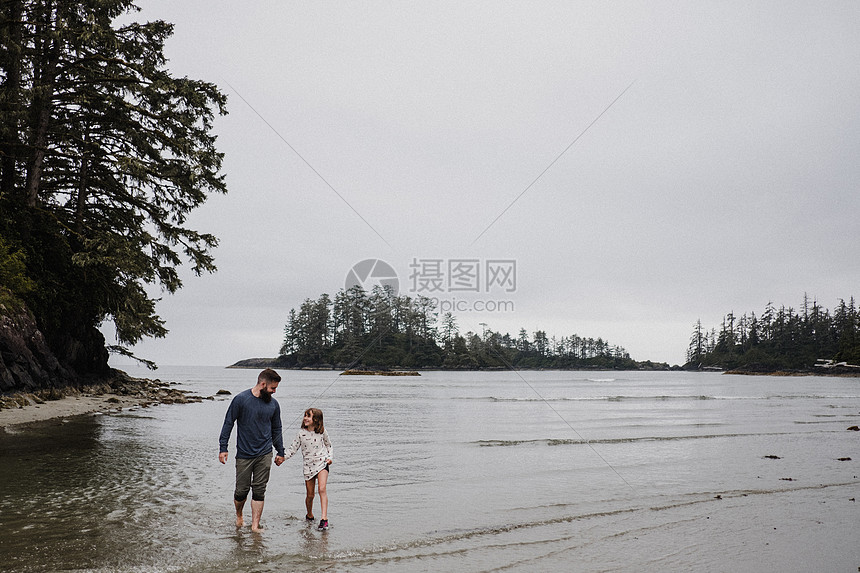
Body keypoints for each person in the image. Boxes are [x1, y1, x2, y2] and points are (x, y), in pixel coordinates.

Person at [218, 368, 286, 532]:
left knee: (259, 490)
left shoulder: (273, 404)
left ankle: (255, 526)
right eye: (272, 388)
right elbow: (228, 423)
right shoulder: (241, 400)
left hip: (265, 454)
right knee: (241, 491)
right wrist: (223, 447)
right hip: (244, 454)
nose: (274, 392)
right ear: (263, 384)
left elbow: (277, 429)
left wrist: (281, 451)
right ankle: (239, 515)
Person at [284, 407, 333, 530]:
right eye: (305, 415)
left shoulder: (322, 432)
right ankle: (309, 514)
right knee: (310, 495)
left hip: (322, 463)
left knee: (322, 489)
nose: (305, 418)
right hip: (308, 466)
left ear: (316, 419)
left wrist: (329, 458)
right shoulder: (301, 433)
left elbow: (329, 445)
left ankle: (324, 519)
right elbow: (292, 449)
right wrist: (282, 458)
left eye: (308, 416)